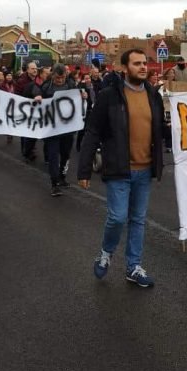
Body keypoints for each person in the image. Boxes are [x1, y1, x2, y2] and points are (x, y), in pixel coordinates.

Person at [78, 49, 165, 288]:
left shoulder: (153, 96)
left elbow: (163, 130)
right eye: (137, 63)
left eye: (145, 63)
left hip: (145, 170)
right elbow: (93, 131)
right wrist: (84, 169)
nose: (143, 67)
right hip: (118, 168)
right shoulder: (109, 96)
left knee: (137, 220)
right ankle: (106, 253)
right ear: (124, 68)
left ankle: (133, 267)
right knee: (117, 218)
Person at [36, 64, 79, 196]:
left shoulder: (71, 84)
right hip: (52, 128)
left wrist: (83, 94)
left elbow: (78, 97)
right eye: (57, 78)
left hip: (67, 128)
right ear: (53, 75)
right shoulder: (46, 86)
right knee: (54, 155)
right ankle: (54, 183)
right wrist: (38, 97)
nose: (60, 80)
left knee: (65, 154)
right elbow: (36, 94)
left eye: (62, 77)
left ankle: (62, 177)